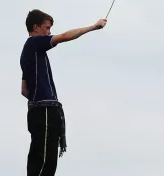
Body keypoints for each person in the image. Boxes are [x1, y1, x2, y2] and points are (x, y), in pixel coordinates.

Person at [21, 9, 107, 176]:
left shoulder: (29, 53)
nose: (49, 32)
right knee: (46, 162)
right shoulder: (33, 43)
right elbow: (64, 37)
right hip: (44, 111)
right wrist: (93, 27)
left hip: (38, 112)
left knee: (40, 160)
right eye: (47, 28)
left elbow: (24, 90)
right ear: (36, 27)